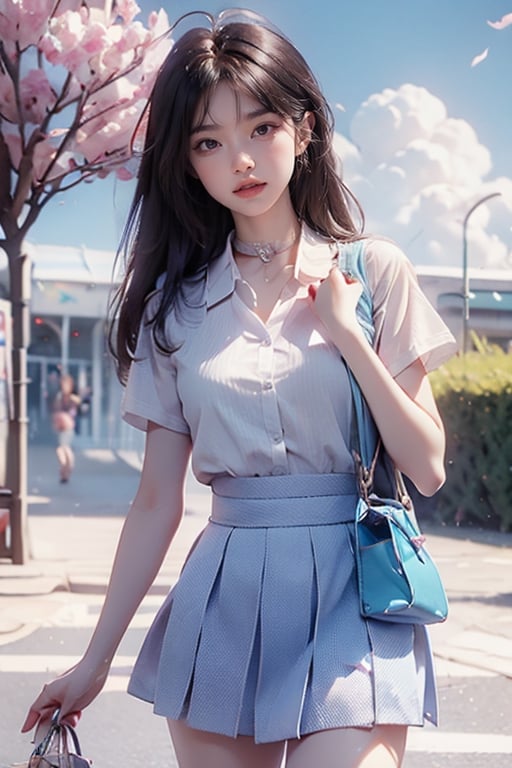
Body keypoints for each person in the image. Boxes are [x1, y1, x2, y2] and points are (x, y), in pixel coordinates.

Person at [22, 9, 457, 767]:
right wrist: (94, 661)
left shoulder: (373, 271)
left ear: (305, 128)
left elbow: (427, 465)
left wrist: (348, 336)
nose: (241, 160)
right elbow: (156, 500)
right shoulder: (174, 309)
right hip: (223, 594)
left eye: (261, 128)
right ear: (187, 163)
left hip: (355, 589)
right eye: (209, 143)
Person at [51, 373, 81, 483]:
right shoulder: (60, 397)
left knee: (63, 448)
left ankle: (66, 468)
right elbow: (56, 410)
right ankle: (66, 469)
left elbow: (77, 406)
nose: (64, 386)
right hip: (61, 427)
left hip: (69, 428)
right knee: (63, 449)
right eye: (63, 384)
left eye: (66, 384)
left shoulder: (73, 398)